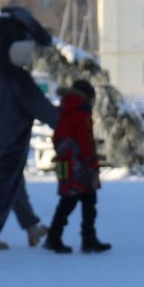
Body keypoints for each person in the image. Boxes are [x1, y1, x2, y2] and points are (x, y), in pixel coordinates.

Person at [0, 9, 60, 250]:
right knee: (4, 185)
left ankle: (31, 228)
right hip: (12, 142)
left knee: (14, 185)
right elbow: (40, 107)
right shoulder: (18, 80)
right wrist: (65, 121)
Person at [43, 79, 110, 254]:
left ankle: (55, 237)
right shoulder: (81, 114)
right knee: (87, 202)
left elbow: (57, 138)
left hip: (66, 165)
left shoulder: (64, 111)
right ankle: (86, 239)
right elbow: (86, 141)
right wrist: (91, 164)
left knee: (68, 201)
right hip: (81, 167)